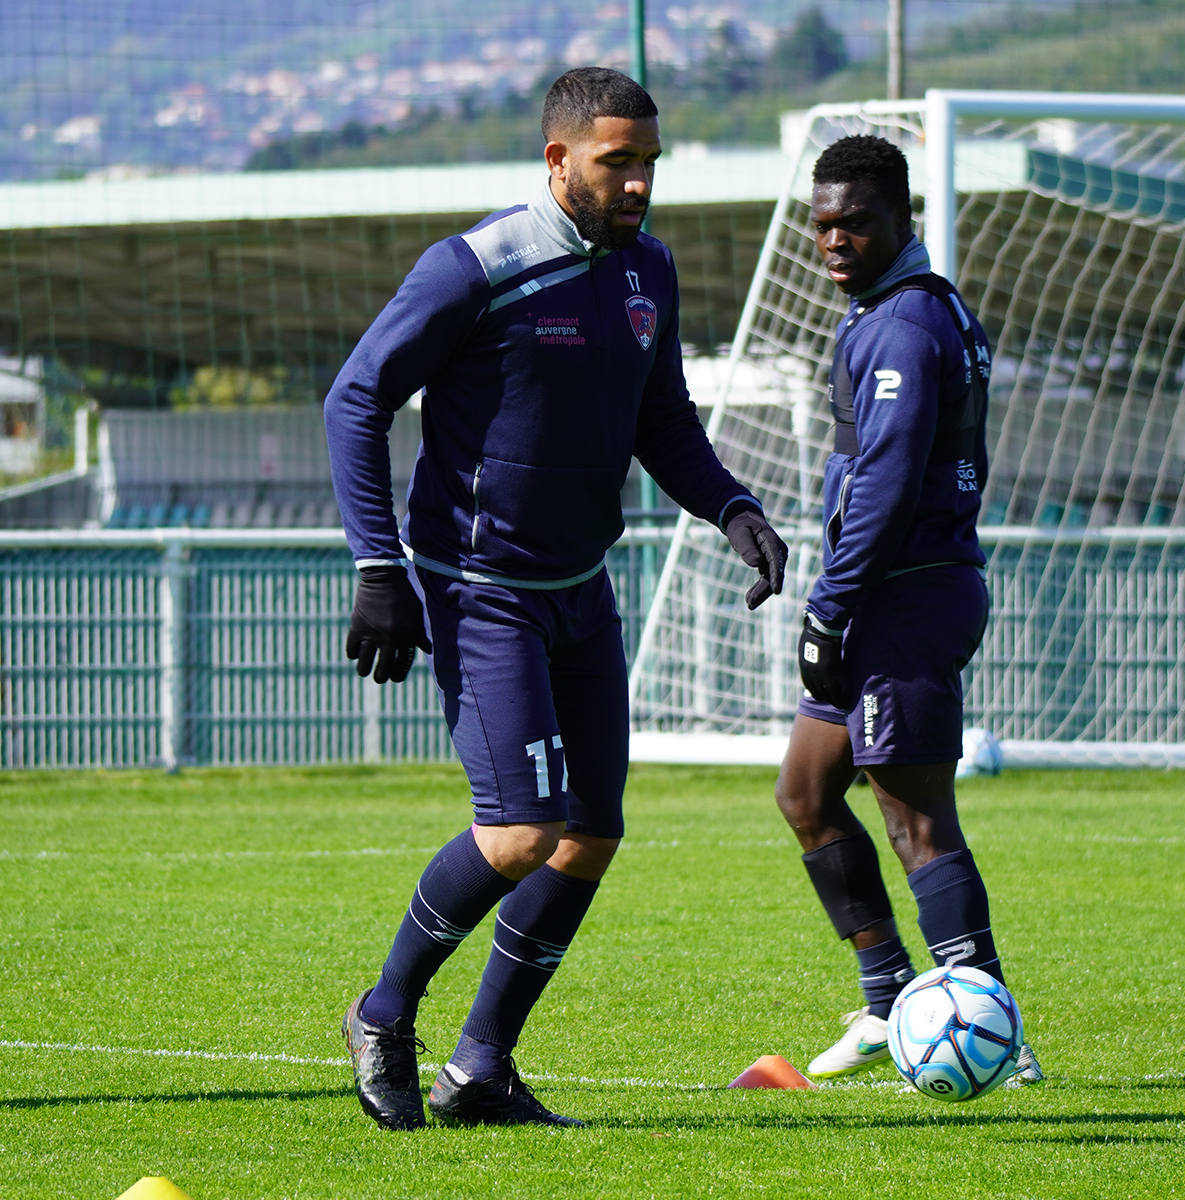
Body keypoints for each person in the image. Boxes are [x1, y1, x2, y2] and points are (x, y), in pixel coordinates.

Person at [324, 66, 788, 1131]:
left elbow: (661, 419)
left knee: (589, 834)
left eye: (648, 166)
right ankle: (383, 1010)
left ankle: (480, 1069)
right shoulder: (473, 268)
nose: (636, 186)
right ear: (557, 159)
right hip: (481, 590)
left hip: (581, 588)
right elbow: (356, 400)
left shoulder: (646, 274)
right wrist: (377, 567)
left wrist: (731, 509)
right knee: (522, 831)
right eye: (615, 163)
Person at [773, 135, 1041, 1085]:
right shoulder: (904, 311)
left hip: (905, 596)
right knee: (806, 793)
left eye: (858, 223)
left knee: (914, 815)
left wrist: (828, 609)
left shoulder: (902, 325)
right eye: (825, 225)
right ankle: (890, 1002)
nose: (836, 241)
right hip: (888, 593)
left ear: (903, 221)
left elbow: (885, 482)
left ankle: (999, 1039)